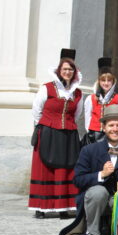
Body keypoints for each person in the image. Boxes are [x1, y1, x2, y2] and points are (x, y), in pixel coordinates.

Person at [59, 105, 118, 235]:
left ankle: (111, 224)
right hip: (96, 198)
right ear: (104, 127)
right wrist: (101, 174)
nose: (115, 129)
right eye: (111, 125)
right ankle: (92, 232)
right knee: (98, 192)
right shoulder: (88, 150)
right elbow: (78, 180)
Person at [29, 49, 84, 218]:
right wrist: (46, 125)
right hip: (48, 133)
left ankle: (63, 206)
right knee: (45, 168)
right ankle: (41, 206)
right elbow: (37, 111)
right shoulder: (47, 88)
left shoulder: (77, 93)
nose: (67, 72)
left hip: (68, 135)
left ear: (74, 73)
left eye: (70, 70)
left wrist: (65, 124)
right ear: (59, 71)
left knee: (65, 169)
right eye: (65, 69)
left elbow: (77, 114)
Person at [84, 57, 118, 145]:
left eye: (109, 80)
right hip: (94, 135)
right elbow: (87, 117)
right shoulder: (91, 98)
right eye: (103, 80)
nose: (106, 83)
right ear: (99, 81)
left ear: (113, 81)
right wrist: (90, 132)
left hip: (111, 135)